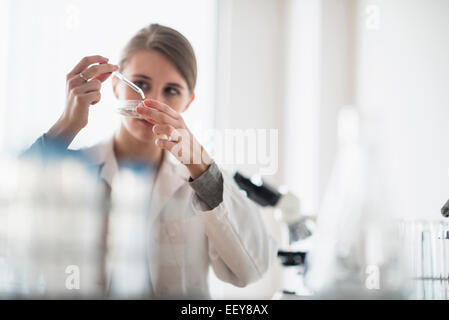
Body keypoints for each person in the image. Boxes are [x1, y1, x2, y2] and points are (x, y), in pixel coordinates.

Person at [25, 24, 276, 298]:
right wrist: (65, 128)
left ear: (188, 102)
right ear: (116, 87)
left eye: (171, 90)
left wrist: (203, 169)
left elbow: (252, 269)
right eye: (141, 84)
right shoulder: (75, 170)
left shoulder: (202, 178)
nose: (151, 102)